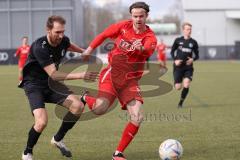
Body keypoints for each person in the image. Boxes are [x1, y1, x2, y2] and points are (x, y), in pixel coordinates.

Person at [82, 2, 157, 160]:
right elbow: (103, 35)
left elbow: (148, 49)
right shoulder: (123, 26)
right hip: (112, 73)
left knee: (137, 117)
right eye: (135, 16)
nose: (138, 19)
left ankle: (118, 153)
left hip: (130, 81)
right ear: (131, 16)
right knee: (99, 109)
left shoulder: (150, 37)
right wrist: (89, 49)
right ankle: (85, 97)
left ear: (147, 16)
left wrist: (140, 48)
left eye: (141, 16)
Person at [20, 15, 98, 160]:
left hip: (52, 85)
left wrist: (84, 51)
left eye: (63, 31)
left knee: (78, 106)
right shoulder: (39, 47)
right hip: (34, 85)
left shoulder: (63, 39)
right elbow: (54, 74)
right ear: (48, 30)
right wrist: (81, 75)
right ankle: (27, 152)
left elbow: (68, 44)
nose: (61, 35)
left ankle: (57, 139)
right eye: (57, 32)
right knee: (41, 122)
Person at [170, 22, 199, 108]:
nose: (189, 31)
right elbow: (172, 51)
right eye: (187, 29)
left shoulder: (193, 42)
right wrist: (175, 60)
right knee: (178, 87)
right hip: (178, 67)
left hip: (188, 67)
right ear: (183, 30)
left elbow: (197, 55)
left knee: (186, 84)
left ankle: (181, 103)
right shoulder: (178, 40)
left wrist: (193, 59)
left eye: (190, 29)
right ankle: (177, 82)